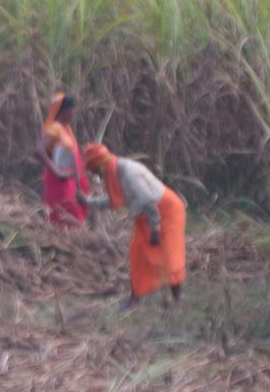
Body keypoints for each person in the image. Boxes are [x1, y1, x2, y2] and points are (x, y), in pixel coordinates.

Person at [82, 143, 186, 308]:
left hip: (166, 212)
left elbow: (146, 199)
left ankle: (177, 300)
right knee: (137, 252)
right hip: (149, 215)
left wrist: (155, 228)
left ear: (100, 164)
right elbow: (116, 200)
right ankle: (135, 299)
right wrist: (87, 202)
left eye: (95, 170)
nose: (96, 175)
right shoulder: (115, 172)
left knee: (169, 255)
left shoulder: (128, 173)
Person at [36, 91, 90, 227]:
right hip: (61, 183)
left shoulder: (65, 129)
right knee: (66, 215)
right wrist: (57, 172)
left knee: (71, 216)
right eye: (72, 109)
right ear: (65, 111)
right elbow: (39, 150)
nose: (73, 113)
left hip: (69, 181)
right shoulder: (56, 129)